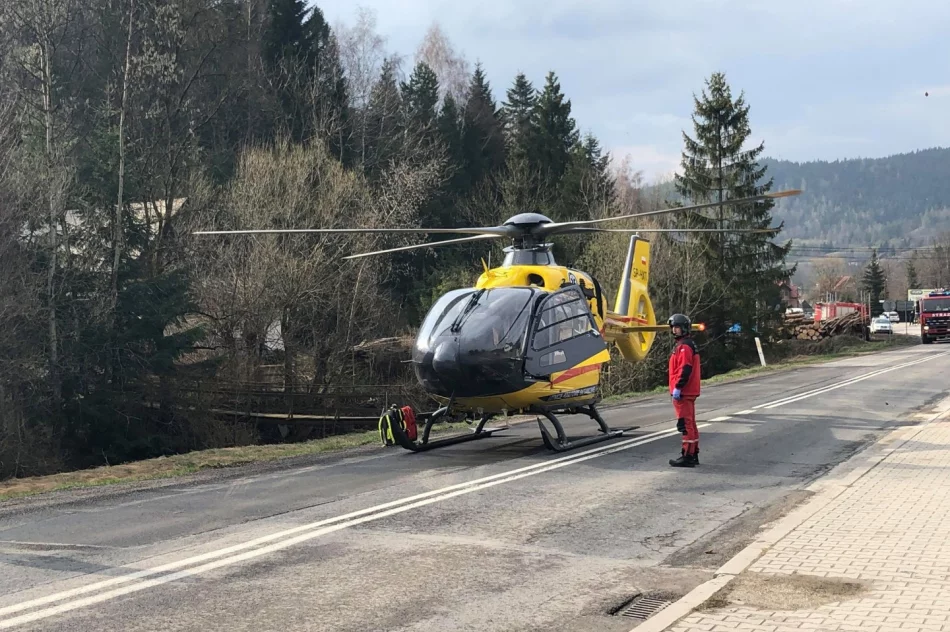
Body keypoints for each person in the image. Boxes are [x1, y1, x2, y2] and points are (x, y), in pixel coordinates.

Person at [668, 313, 701, 467]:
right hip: (689, 391)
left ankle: (687, 455)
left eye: (677, 328)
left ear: (684, 328)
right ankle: (693, 453)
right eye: (673, 328)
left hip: (684, 391)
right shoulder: (688, 344)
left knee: (685, 424)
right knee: (691, 423)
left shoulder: (684, 347)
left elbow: (685, 369)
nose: (675, 330)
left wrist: (678, 387)